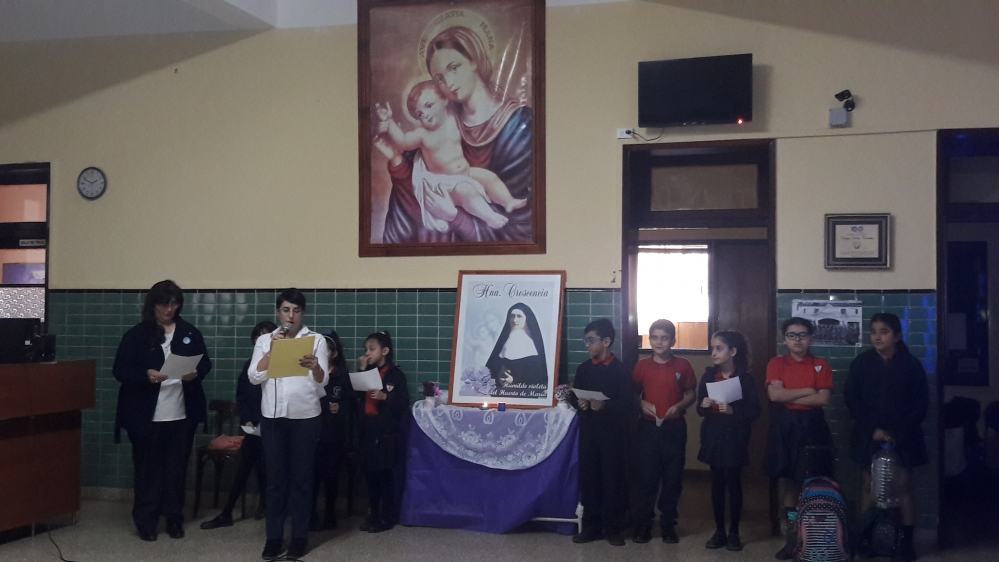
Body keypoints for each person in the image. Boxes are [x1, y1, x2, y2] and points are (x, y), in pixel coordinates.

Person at [381, 25, 534, 244]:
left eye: (454, 67)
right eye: (439, 78)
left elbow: (520, 232)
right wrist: (398, 165)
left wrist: (455, 219)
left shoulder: (518, 125)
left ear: (473, 60)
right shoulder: (438, 124)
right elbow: (410, 208)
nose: (449, 83)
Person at [112, 280, 212, 541]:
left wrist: (195, 373)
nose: (169, 309)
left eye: (174, 304)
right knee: (148, 471)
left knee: (175, 470)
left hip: (181, 414)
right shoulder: (137, 335)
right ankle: (146, 521)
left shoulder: (189, 332)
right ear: (153, 305)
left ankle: (174, 519)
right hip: (145, 416)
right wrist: (145, 374)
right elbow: (120, 370)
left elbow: (205, 363)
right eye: (164, 304)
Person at [374, 81, 526, 232]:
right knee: (467, 192)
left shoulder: (454, 119)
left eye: (428, 105)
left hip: (466, 172)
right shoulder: (422, 135)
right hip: (444, 183)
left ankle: (508, 202)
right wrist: (389, 122)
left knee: (490, 177)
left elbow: (473, 111)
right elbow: (403, 141)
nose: (425, 114)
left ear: (444, 101)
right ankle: (490, 217)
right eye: (420, 114)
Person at [247, 289, 330, 560]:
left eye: (296, 311)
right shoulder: (265, 340)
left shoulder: (316, 340)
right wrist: (272, 352)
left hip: (306, 418)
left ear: (302, 313)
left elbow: (323, 380)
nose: (290, 316)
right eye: (285, 310)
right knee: (275, 480)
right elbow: (254, 377)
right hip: (273, 419)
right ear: (278, 312)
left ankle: (299, 537)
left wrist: (315, 366)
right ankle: (273, 538)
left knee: (301, 480)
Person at [845, 313, 928, 562]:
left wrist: (896, 433)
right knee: (869, 487)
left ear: (897, 336)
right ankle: (866, 540)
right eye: (873, 332)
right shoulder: (862, 363)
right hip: (868, 434)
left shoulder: (911, 365)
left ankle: (906, 543)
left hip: (904, 437)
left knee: (902, 487)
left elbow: (920, 405)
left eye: (884, 332)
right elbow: (852, 400)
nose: (877, 337)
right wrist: (872, 430)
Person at [765, 317, 833, 560]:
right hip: (786, 428)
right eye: (792, 335)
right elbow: (775, 396)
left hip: (813, 427)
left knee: (815, 483)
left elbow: (823, 399)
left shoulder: (821, 364)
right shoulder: (776, 363)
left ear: (810, 338)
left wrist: (789, 394)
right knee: (790, 484)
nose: (797, 340)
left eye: (802, 335)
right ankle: (792, 539)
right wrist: (807, 391)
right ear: (785, 339)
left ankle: (813, 537)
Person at [199, 321, 276, 530]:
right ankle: (236, 510)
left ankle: (240, 510)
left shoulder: (281, 364)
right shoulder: (250, 365)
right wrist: (247, 418)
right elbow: (242, 394)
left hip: (273, 425)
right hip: (254, 425)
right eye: (258, 338)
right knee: (249, 465)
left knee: (257, 465)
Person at [630, 319, 697, 544]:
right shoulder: (641, 366)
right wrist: (641, 404)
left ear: (673, 341)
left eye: (664, 338)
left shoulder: (683, 365)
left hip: (674, 428)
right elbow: (632, 394)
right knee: (647, 477)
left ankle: (668, 524)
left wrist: (679, 406)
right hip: (648, 428)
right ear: (650, 339)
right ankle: (644, 524)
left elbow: (691, 393)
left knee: (672, 478)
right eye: (655, 338)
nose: (659, 342)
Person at [571, 319, 636, 547]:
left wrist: (605, 406)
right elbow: (575, 396)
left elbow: (628, 405)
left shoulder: (620, 371)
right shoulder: (584, 369)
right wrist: (581, 404)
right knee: (590, 478)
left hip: (613, 436)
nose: (587, 345)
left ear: (606, 341)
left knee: (612, 479)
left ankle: (613, 527)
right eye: (586, 341)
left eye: (591, 340)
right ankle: (591, 526)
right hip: (590, 432)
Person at [696, 330, 760, 552]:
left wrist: (733, 411)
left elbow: (754, 411)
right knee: (716, 483)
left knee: (733, 482)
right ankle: (719, 530)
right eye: (712, 348)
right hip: (713, 436)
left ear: (732, 351)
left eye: (719, 348)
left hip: (735, 438)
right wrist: (704, 405)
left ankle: (734, 531)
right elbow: (700, 409)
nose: (713, 353)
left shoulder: (745, 379)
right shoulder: (708, 376)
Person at [355, 331, 410, 533]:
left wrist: (385, 397)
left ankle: (387, 516)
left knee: (385, 476)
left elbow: (403, 402)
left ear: (385, 351)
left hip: (385, 432)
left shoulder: (396, 375)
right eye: (366, 349)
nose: (367, 353)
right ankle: (373, 513)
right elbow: (357, 397)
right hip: (367, 429)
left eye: (372, 349)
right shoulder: (367, 372)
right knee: (370, 475)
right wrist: (361, 370)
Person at [310, 329, 355, 531]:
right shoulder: (310, 373)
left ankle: (330, 513)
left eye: (325, 349)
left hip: (333, 434)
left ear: (334, 353)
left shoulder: (341, 375)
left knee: (331, 476)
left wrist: (340, 407)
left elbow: (351, 402)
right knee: (311, 476)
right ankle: (310, 514)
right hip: (312, 432)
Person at [485, 302, 548, 398]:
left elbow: (537, 375)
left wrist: (514, 380)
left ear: (527, 318)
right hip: (502, 392)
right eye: (512, 316)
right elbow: (492, 366)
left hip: (524, 394)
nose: (515, 320)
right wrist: (500, 375)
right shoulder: (504, 339)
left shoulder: (532, 342)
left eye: (519, 316)